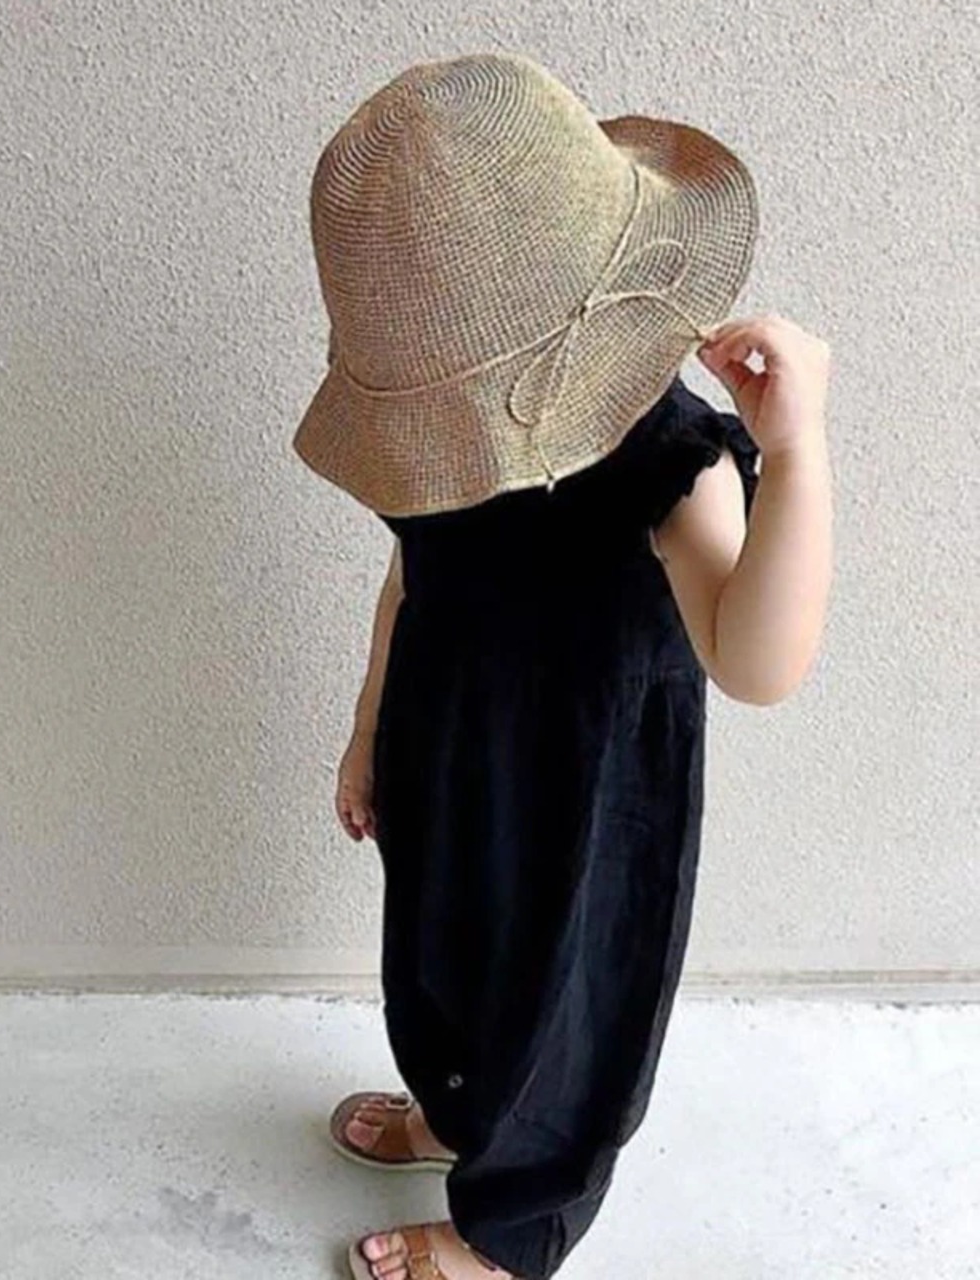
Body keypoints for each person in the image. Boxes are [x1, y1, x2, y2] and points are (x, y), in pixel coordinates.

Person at [292, 54, 833, 1280]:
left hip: (588, 795)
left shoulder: (668, 461)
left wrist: (796, 454)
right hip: (444, 743)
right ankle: (454, 1111)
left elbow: (757, 662)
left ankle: (507, 1230)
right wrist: (367, 726)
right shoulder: (442, 442)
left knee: (563, 1004)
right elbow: (409, 574)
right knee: (436, 957)